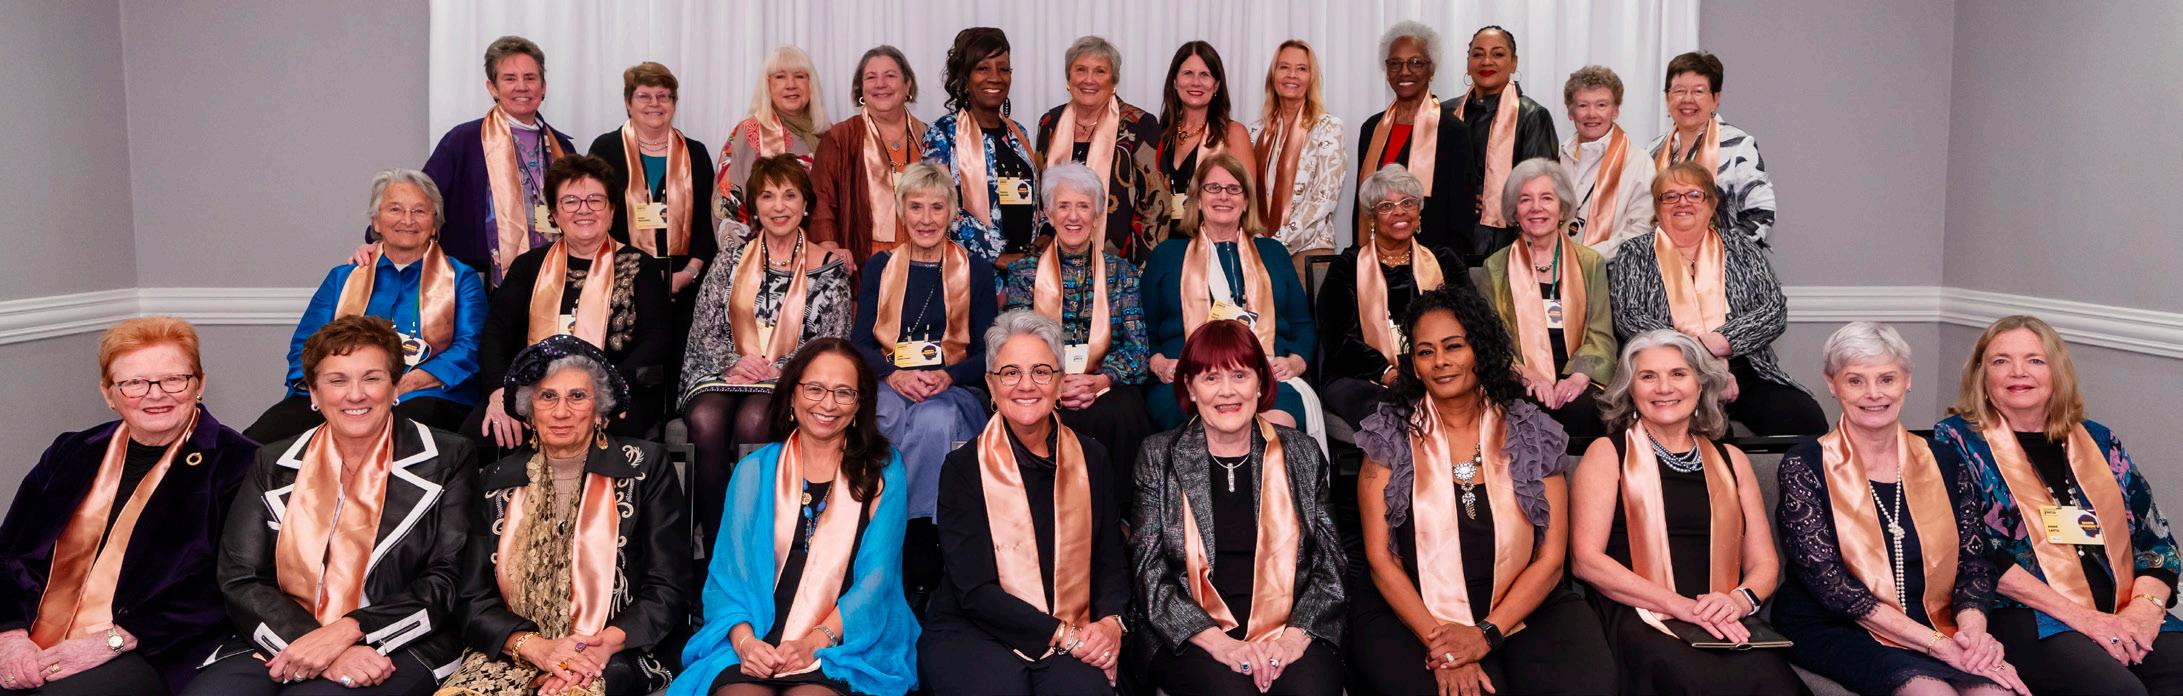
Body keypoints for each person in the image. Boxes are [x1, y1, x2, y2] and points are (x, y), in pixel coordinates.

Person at [187, 316, 475, 696]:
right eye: (337, 380)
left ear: (395, 387)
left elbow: (446, 578)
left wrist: (348, 631)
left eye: (372, 378)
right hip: (285, 634)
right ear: (313, 392)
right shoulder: (272, 462)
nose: (355, 395)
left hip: (397, 642)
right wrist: (317, 646)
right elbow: (241, 578)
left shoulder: (449, 457)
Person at [1349, 287, 1615, 696]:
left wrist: (1486, 634)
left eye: (1454, 346)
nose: (1440, 361)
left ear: (1481, 350)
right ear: (1414, 365)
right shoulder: (1388, 436)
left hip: (1523, 604)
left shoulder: (1532, 432)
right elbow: (1381, 560)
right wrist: (1444, 648)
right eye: (1425, 352)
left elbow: (1550, 559)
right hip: (1412, 610)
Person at [0, 318, 255, 696]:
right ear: (108, 393)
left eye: (173, 379)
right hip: (32, 636)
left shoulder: (239, 463)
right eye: (134, 383)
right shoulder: (71, 451)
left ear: (199, 384)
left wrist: (113, 641)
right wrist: (10, 636)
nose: (155, 395)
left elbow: (225, 584)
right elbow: (12, 552)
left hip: (156, 647)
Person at [1933, 316, 2183, 695]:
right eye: (2001, 361)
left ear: (2057, 371)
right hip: (2024, 614)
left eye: (2035, 360)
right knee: (2116, 690)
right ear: (1982, 374)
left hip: (2121, 608)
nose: (2018, 372)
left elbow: (2156, 544)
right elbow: (1972, 552)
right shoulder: (1955, 443)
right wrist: (2085, 619)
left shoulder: (2101, 442)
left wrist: (2143, 611)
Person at [1773, 322, 2027, 695]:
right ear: (1832, 384)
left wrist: (1973, 634)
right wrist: (1939, 646)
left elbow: (1975, 562)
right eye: (1855, 381)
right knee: (1931, 693)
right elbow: (1833, 587)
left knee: (1996, 693)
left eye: (1887, 379)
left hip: (1934, 617)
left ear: (1907, 380)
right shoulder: (1805, 465)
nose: (1873, 394)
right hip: (1837, 624)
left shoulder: (1944, 460)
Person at [439, 336, 691, 696]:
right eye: (547, 396)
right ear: (529, 411)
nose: (561, 412)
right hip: (519, 649)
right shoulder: (494, 481)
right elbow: (472, 596)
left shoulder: (645, 466)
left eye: (577, 396)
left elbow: (668, 584)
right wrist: (537, 649)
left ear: (600, 410)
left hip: (618, 647)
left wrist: (598, 647)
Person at [672, 338, 918, 696]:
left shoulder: (882, 471)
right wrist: (745, 643)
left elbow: (876, 580)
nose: (827, 404)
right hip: (758, 634)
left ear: (859, 404)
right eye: (814, 389)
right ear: (791, 395)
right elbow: (727, 578)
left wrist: (815, 641)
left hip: (844, 641)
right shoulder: (754, 470)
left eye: (843, 392)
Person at [1569, 329, 1805, 694]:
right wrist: (1680, 607)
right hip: (1639, 613)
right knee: (1689, 679)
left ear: (1700, 384)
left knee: (1773, 683)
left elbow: (1764, 563)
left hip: (1720, 614)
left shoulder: (1733, 460)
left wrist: (1737, 602)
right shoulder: (1607, 454)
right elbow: (1586, 561)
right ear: (1630, 389)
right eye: (1648, 376)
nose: (1664, 388)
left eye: (1678, 373)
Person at [918, 311, 1130, 694]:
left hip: (1074, 618)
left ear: (1060, 381)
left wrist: (1111, 624)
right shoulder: (963, 468)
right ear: (991, 384)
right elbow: (975, 590)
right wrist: (1064, 636)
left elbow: (1110, 559)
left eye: (1041, 372)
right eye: (1011, 372)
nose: (1026, 385)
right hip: (978, 628)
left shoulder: (1092, 458)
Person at [1129, 319, 1344, 696]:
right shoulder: (1158, 455)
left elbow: (1331, 563)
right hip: (1193, 633)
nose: (1227, 392)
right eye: (1211, 378)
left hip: (1291, 627)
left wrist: (1293, 639)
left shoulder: (1301, 453)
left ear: (1260, 382)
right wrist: (1220, 644)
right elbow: (1149, 571)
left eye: (1240, 375)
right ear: (1190, 387)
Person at [682, 154, 854, 549]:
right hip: (725, 371)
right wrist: (736, 362)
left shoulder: (829, 267)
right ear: (755, 207)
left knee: (755, 419)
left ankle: (754, 540)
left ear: (805, 204)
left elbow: (833, 342)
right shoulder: (729, 259)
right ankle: (717, 542)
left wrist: (782, 369)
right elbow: (703, 330)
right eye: (768, 196)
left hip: (791, 379)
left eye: (789, 195)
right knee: (705, 420)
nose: (779, 207)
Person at [251, 170, 487, 445]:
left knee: (403, 434)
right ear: (376, 221)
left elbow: (469, 348)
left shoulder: (461, 278)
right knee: (260, 441)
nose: (407, 220)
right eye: (395, 209)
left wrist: (402, 384)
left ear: (435, 224)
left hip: (423, 395)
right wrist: (333, 387)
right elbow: (306, 345)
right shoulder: (343, 277)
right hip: (339, 394)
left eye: (420, 211)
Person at [1608, 161, 1825, 436]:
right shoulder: (1635, 252)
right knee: (1713, 432)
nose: (1682, 202)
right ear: (1657, 207)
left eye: (1694, 194)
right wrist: (1702, 360)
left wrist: (1721, 343)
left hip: (1745, 368)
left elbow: (1773, 310)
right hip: (1669, 375)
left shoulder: (1741, 247)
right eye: (1670, 196)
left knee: (1803, 417)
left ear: (1711, 204)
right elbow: (1629, 316)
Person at [475, 155, 673, 454]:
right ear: (555, 213)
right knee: (484, 434)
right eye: (570, 201)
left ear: (612, 209)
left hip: (614, 392)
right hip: (533, 390)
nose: (584, 209)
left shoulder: (639, 266)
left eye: (595, 200)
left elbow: (658, 340)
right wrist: (499, 392)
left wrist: (605, 393)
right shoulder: (529, 266)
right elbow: (495, 334)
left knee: (612, 436)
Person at [851, 162, 999, 522]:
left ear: (952, 212)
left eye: (937, 207)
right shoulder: (880, 267)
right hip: (891, 381)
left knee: (933, 419)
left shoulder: (976, 270)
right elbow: (860, 345)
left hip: (954, 387)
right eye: (916, 207)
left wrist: (948, 376)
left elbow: (989, 352)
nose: (926, 219)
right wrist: (893, 375)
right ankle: (869, 519)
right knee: (884, 412)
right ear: (902, 211)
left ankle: (912, 527)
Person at [1142, 154, 1316, 431]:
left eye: (1234, 189)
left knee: (1276, 430)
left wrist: (1296, 361)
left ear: (1246, 202)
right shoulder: (1166, 255)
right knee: (1199, 434)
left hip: (1266, 375)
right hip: (1185, 378)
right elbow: (1143, 330)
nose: (1223, 196)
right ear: (1198, 199)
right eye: (1213, 188)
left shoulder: (1274, 254)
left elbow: (1303, 326)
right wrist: (1159, 362)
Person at [1001, 163, 1154, 473]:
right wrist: (1053, 382)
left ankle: (1116, 505)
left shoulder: (1121, 272)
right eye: (1063, 206)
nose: (1073, 216)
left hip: (1105, 386)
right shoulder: (1024, 273)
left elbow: (1138, 350)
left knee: (1125, 412)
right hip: (1043, 384)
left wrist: (1102, 379)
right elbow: (1015, 347)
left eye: (1083, 206)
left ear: (1097, 214)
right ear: (1048, 213)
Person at [1316, 164, 1465, 431]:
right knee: (1395, 412)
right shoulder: (1347, 266)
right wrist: (1389, 374)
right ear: (1372, 217)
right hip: (1360, 376)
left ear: (1419, 211)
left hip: (1438, 366)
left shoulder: (1443, 260)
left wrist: (1432, 367)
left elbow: (1469, 322)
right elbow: (1338, 339)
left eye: (1407, 203)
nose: (1399, 211)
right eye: (1386, 206)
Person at [419, 36, 577, 285]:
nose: (522, 87)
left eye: (530, 78)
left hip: (552, 274)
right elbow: (421, 200)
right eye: (510, 78)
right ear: (492, 88)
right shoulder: (464, 140)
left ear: (543, 86)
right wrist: (379, 242)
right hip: (480, 279)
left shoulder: (562, 147)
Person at [1479, 159, 1615, 439]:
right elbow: (1491, 341)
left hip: (1578, 374)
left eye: (1546, 198)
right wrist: (1528, 375)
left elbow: (1600, 335)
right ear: (1514, 211)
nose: (1536, 207)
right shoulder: (1494, 267)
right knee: (1525, 409)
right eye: (1525, 199)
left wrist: (1577, 378)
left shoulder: (1590, 263)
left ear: (1562, 208)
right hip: (1518, 377)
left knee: (1584, 409)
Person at [588, 62, 717, 330]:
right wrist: (625, 275)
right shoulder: (606, 149)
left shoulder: (696, 153)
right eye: (644, 96)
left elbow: (707, 224)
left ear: (674, 103)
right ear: (628, 103)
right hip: (620, 282)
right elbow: (593, 216)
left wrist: (689, 273)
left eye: (663, 96)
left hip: (684, 285)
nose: (654, 104)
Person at [1036, 36, 1167, 264]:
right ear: (1069, 77)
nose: (1089, 79)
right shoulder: (1050, 122)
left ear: (1114, 80)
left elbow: (1155, 204)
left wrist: (1144, 269)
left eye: (1100, 71)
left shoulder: (1139, 124)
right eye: (1080, 70)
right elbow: (1041, 195)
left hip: (1121, 264)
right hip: (1055, 261)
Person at [920, 27, 1042, 265]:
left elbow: (1034, 199)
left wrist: (1044, 237)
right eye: (983, 68)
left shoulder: (1018, 133)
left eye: (1003, 69)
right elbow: (937, 204)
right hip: (971, 271)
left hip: (1027, 270)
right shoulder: (942, 133)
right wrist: (997, 256)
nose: (995, 77)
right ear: (965, 78)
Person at [1356, 21, 1476, 253]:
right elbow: (1361, 205)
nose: (1404, 71)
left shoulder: (1453, 132)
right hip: (1375, 257)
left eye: (1415, 62)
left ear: (1431, 70)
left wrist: (1447, 265)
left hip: (1434, 258)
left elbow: (1461, 216)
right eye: (1395, 63)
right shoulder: (1371, 128)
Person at [811, 46, 927, 267]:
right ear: (861, 89)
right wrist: (829, 250)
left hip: (922, 259)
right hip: (863, 263)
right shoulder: (841, 137)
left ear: (908, 85)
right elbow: (821, 199)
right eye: (871, 77)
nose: (880, 84)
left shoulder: (929, 137)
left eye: (890, 76)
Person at [1650, 51, 1776, 248]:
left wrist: (1715, 252)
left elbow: (1762, 211)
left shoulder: (1738, 146)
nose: (1687, 99)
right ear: (1667, 97)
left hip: (1723, 261)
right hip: (1660, 262)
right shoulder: (1652, 151)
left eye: (1698, 91)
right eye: (1679, 91)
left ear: (1716, 98)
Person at [1456, 26, 1560, 260]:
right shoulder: (1447, 112)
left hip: (1506, 245)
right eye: (1478, 54)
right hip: (1450, 243)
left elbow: (1541, 188)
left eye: (1498, 54)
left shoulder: (1532, 116)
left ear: (1513, 63)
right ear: (1468, 63)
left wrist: (1494, 198)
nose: (1486, 61)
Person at [1251, 39, 1346, 282]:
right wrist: (1258, 244)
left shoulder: (1328, 128)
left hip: (1309, 252)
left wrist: (1276, 244)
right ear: (1273, 75)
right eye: (1284, 67)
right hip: (1258, 252)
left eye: (1302, 69)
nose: (1292, 75)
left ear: (1311, 78)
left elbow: (1323, 200)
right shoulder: (1255, 132)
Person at [717, 46, 831, 236]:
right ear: (767, 85)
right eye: (780, 77)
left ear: (811, 84)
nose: (791, 85)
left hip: (823, 247)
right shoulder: (749, 132)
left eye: (800, 76)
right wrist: (749, 250)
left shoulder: (829, 134)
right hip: (762, 247)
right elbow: (728, 199)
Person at [1153, 41, 1257, 245]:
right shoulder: (1158, 134)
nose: (1196, 82)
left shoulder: (1233, 134)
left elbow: (1247, 202)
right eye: (1188, 73)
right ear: (1175, 81)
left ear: (1216, 85)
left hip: (1213, 247)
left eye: (1204, 75)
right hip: (1161, 247)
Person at [1559, 65, 1655, 259]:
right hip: (1556, 266)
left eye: (1601, 105)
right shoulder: (1557, 157)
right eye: (1582, 105)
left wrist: (1589, 258)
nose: (1592, 114)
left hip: (1612, 269)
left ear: (1615, 111)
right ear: (1570, 112)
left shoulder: (1638, 161)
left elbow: (1642, 229)